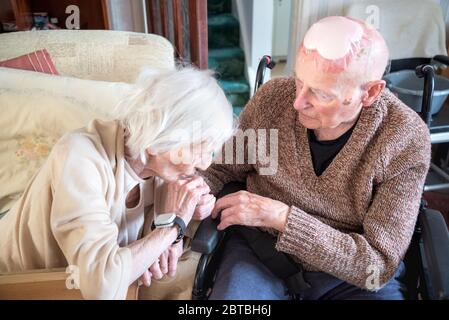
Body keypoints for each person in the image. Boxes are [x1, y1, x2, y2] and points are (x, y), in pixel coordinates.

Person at [200, 16, 431, 300]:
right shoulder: (273, 101)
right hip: (260, 253)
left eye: (320, 93)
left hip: (347, 277)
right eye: (299, 82)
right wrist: (177, 216)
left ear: (370, 92)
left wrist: (281, 217)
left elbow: (377, 264)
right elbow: (219, 171)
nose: (297, 102)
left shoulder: (403, 138)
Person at [0, 66, 235, 299]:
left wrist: (180, 227)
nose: (205, 165)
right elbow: (101, 286)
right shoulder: (79, 157)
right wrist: (172, 228)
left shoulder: (160, 168)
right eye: (200, 148)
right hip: (21, 285)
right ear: (166, 136)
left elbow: (153, 233)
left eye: (210, 152)